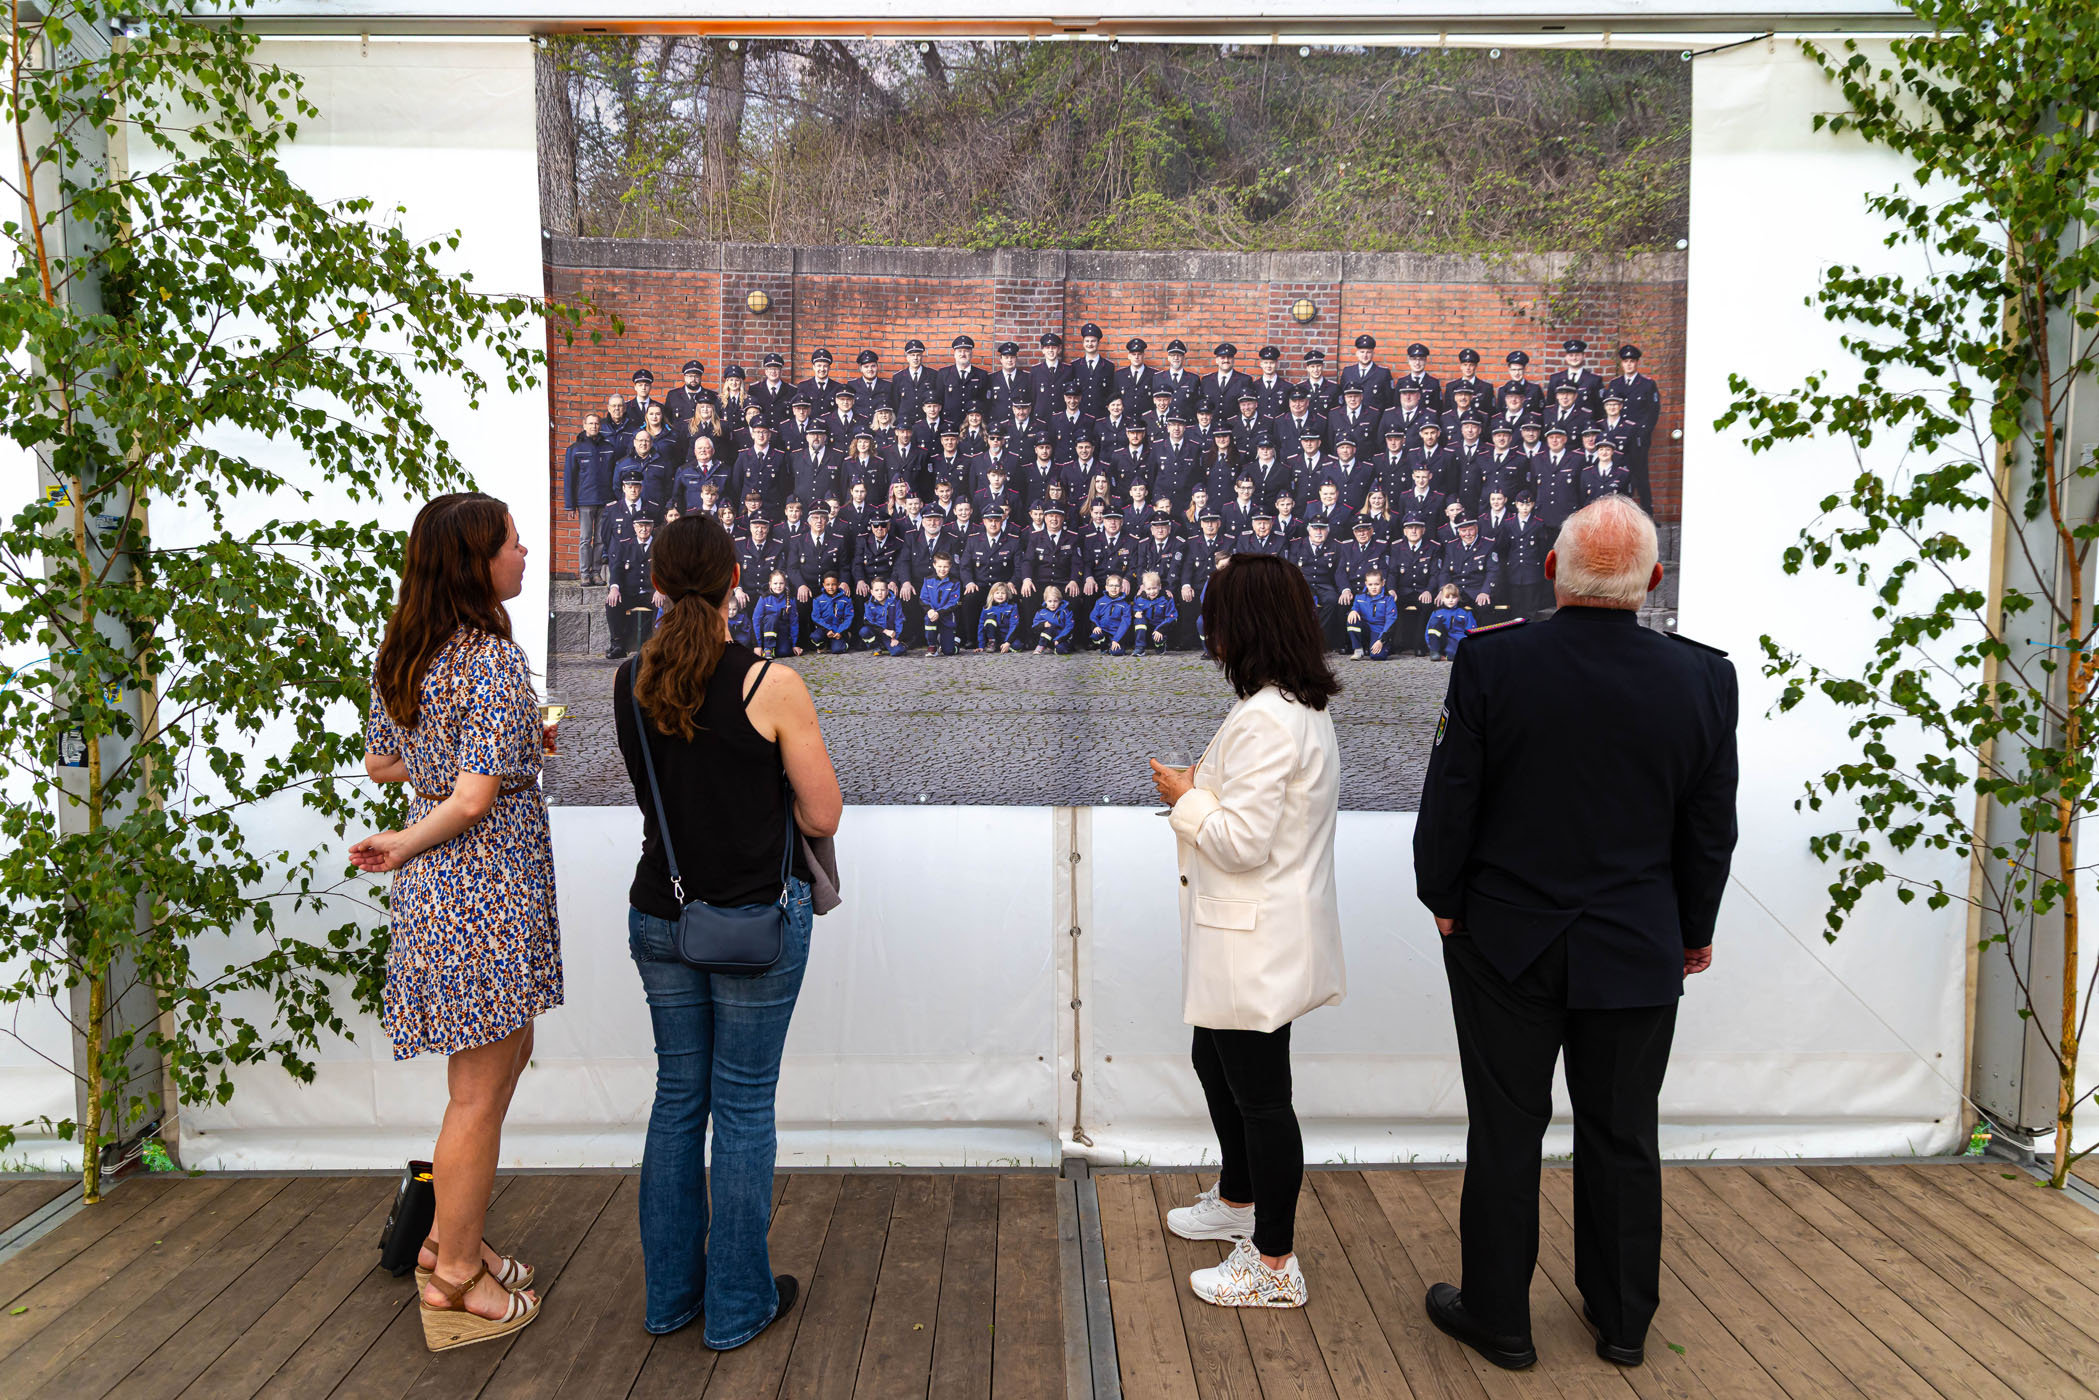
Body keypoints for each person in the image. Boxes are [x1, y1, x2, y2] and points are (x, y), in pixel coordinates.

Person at [1413, 496, 1737, 1373]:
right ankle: (1623, 1320)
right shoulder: (1704, 678)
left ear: (1553, 571)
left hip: (1504, 939)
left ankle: (1499, 1320)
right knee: (1623, 1132)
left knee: (1505, 1130)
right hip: (1636, 941)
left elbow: (1451, 795)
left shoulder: (1492, 660)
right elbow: (1709, 826)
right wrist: (1693, 929)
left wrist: (1441, 896)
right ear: (1653, 580)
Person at [611, 513, 843, 1350]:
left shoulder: (628, 679)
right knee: (742, 1107)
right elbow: (822, 813)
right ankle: (739, 1305)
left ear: (655, 585)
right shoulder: (769, 683)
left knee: (678, 1099)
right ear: (735, 577)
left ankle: (670, 1299)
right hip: (752, 919)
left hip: (661, 912)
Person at [352, 493, 559, 1352]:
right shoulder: (489, 658)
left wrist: (491, 755)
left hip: (443, 895)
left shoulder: (406, 649)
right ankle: (455, 1282)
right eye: (512, 543)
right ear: (476, 562)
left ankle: (447, 1239)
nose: (524, 554)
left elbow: (382, 761)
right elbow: (472, 800)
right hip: (484, 888)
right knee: (478, 1093)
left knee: (499, 1066)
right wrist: (406, 839)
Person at [1149, 551, 1343, 1310]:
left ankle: (1273, 1264)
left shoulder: (1268, 717)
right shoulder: (1293, 706)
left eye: (1216, 617)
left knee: (1263, 1098)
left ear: (1243, 626)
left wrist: (1184, 797)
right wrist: (1203, 792)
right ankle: (1237, 1200)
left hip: (1254, 936)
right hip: (1257, 929)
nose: (1209, 632)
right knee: (1214, 1058)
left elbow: (1240, 842)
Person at [1346, 569, 1400, 659]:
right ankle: (1358, 649)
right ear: (1366, 584)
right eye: (1370, 584)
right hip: (1366, 629)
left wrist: (1381, 640)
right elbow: (1355, 607)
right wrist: (1353, 611)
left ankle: (1379, 646)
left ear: (1383, 583)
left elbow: (1391, 621)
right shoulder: (1359, 596)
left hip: (1379, 631)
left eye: (1377, 584)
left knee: (1378, 656)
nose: (1373, 587)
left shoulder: (1388, 599)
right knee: (1352, 618)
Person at [1422, 582, 1475, 662]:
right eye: (1447, 597)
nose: (1451, 600)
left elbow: (1471, 631)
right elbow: (1428, 631)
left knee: (1461, 654)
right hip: (1442, 641)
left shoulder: (1465, 613)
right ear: (1442, 598)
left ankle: (1446, 656)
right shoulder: (1437, 613)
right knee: (1435, 621)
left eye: (1454, 597)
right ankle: (1435, 651)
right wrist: (1431, 645)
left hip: (1457, 641)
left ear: (1458, 598)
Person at [922, 552, 962, 656]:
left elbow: (954, 603)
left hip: (947, 617)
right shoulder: (928, 580)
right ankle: (932, 646)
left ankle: (955, 642)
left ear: (950, 566)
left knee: (949, 652)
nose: (942, 569)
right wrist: (930, 610)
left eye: (945, 567)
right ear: (934, 565)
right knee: (928, 619)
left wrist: (939, 613)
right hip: (932, 614)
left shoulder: (955, 582)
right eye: (939, 566)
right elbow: (923, 598)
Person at [753, 571, 799, 658]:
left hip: (781, 631)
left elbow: (794, 622)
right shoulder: (764, 598)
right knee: (771, 618)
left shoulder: (791, 599)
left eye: (781, 583)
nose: (778, 586)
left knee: (784, 653)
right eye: (775, 583)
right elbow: (756, 621)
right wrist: (757, 645)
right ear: (770, 584)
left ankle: (775, 648)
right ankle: (768, 648)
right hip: (766, 630)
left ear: (785, 584)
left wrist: (794, 644)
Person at [1131, 571, 1177, 654]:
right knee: (1139, 621)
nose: (1152, 592)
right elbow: (1135, 607)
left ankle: (1160, 645)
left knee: (1160, 635)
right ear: (1144, 588)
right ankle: (1139, 647)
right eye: (1148, 589)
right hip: (1146, 627)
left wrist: (1161, 629)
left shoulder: (1166, 599)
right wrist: (1135, 612)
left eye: (1154, 588)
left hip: (1160, 626)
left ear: (1160, 586)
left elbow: (1172, 617)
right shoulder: (1139, 598)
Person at [809, 573, 856, 654]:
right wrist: (827, 630)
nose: (830, 587)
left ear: (838, 584)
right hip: (824, 629)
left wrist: (840, 631)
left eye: (833, 584)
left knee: (837, 650)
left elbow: (849, 618)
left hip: (838, 629)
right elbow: (816, 617)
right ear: (823, 585)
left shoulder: (846, 600)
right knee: (815, 637)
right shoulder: (818, 600)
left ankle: (846, 638)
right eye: (828, 584)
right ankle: (823, 645)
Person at [858, 577, 907, 655]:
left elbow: (899, 620)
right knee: (864, 631)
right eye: (876, 590)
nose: (880, 593)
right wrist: (884, 630)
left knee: (898, 651)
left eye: (883, 590)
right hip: (877, 633)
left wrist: (896, 638)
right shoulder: (868, 604)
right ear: (872, 592)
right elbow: (868, 621)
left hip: (890, 634)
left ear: (887, 591)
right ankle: (876, 647)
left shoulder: (895, 602)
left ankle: (895, 645)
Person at [1091, 574, 1134, 655]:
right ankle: (1103, 645)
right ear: (1106, 587)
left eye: (1117, 586)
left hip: (1116, 632)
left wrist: (1116, 639)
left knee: (1117, 652)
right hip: (1103, 629)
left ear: (1121, 588)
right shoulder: (1100, 601)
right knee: (1095, 635)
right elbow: (1093, 616)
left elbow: (1125, 623)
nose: (1114, 588)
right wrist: (1096, 626)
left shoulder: (1125, 604)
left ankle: (1112, 645)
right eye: (1111, 585)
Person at [977, 581, 1019, 653]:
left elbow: (1014, 625)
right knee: (990, 619)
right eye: (997, 593)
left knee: (1017, 645)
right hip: (993, 636)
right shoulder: (987, 608)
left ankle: (1003, 646)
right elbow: (981, 627)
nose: (1000, 595)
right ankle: (992, 643)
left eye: (1003, 593)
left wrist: (1008, 642)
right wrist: (981, 646)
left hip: (1006, 635)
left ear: (1007, 595)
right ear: (992, 594)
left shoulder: (1012, 606)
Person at [1032, 584, 1075, 654]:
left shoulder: (1066, 611)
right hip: (1048, 637)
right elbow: (1034, 626)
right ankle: (1041, 645)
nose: (1052, 604)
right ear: (1045, 601)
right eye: (1050, 601)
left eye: (1055, 601)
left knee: (1061, 650)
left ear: (1060, 601)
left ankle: (1055, 648)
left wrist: (1059, 639)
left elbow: (1069, 627)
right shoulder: (1041, 612)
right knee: (1050, 627)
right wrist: (1043, 624)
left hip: (1062, 636)